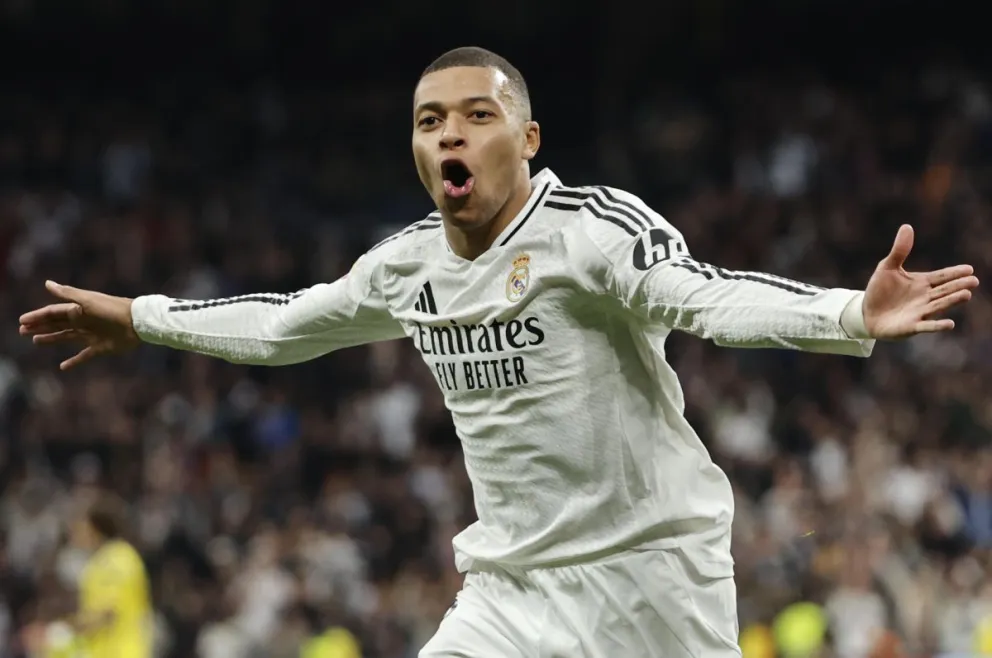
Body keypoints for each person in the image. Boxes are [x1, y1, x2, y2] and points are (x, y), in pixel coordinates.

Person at [19, 46, 978, 657]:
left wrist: (850, 314)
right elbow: (280, 325)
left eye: (475, 114)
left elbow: (705, 297)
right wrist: (142, 317)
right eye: (430, 119)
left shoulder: (588, 231)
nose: (450, 133)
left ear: (526, 137)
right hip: (511, 591)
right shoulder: (406, 268)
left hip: (652, 580)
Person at [64, 495, 152, 658]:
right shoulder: (102, 560)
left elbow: (107, 613)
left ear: (95, 527)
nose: (74, 531)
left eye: (80, 525)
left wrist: (64, 630)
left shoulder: (117, 558)